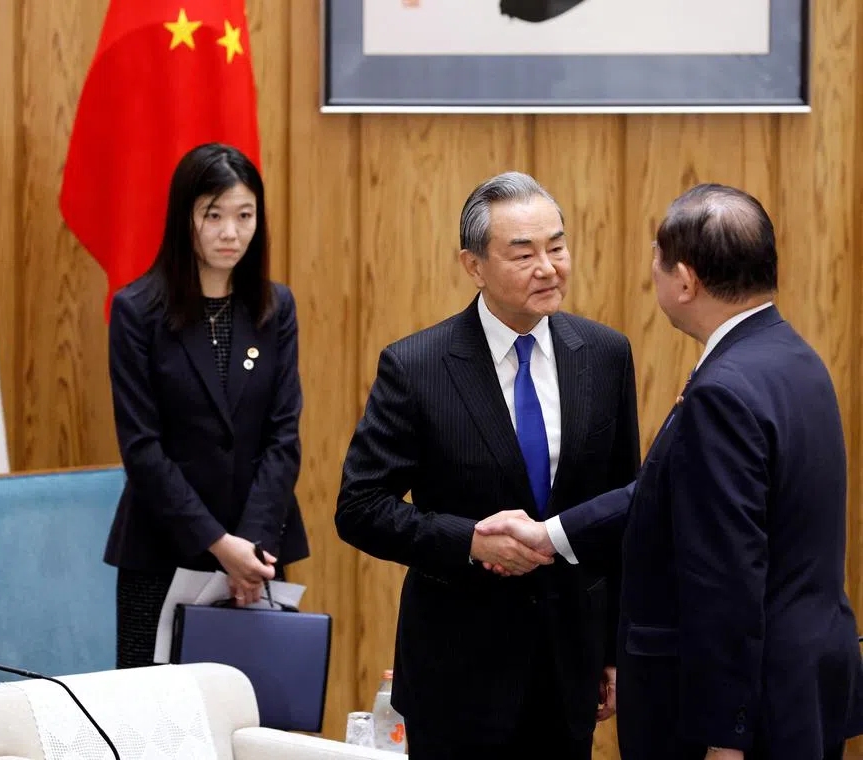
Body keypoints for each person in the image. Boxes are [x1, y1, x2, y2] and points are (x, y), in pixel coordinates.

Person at [478, 184, 863, 760]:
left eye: (656, 262)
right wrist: (553, 535)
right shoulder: (795, 360)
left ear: (685, 280)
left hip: (740, 710)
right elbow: (668, 491)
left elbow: (728, 577)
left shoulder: (723, 392)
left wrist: (723, 739)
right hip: (800, 686)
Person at [334, 171, 640, 759]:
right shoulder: (417, 366)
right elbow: (359, 508)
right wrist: (469, 542)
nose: (548, 267)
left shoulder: (605, 355)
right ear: (473, 265)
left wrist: (611, 650)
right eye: (523, 253)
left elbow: (621, 509)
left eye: (556, 246)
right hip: (457, 674)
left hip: (567, 667)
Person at [103, 142, 310, 669]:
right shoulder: (136, 311)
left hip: (257, 552)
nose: (230, 232)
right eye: (212, 215)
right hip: (163, 551)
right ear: (185, 218)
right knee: (153, 724)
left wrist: (249, 547)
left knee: (252, 722)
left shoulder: (275, 307)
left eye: (245, 216)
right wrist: (218, 544)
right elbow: (142, 448)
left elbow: (283, 437)